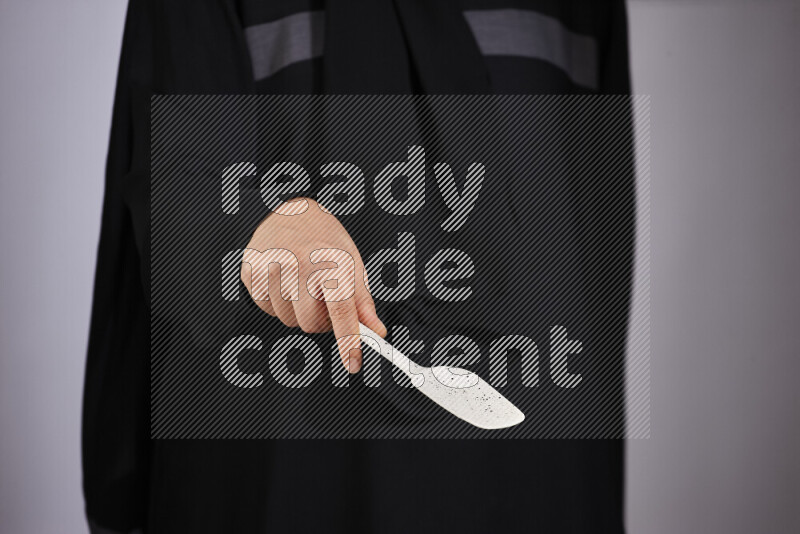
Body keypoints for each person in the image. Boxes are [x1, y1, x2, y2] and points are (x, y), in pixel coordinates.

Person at [83, 0, 634, 532]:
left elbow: (597, 242)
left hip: (533, 458)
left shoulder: (580, 6)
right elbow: (171, 181)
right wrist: (256, 226)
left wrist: (598, 478)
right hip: (280, 461)